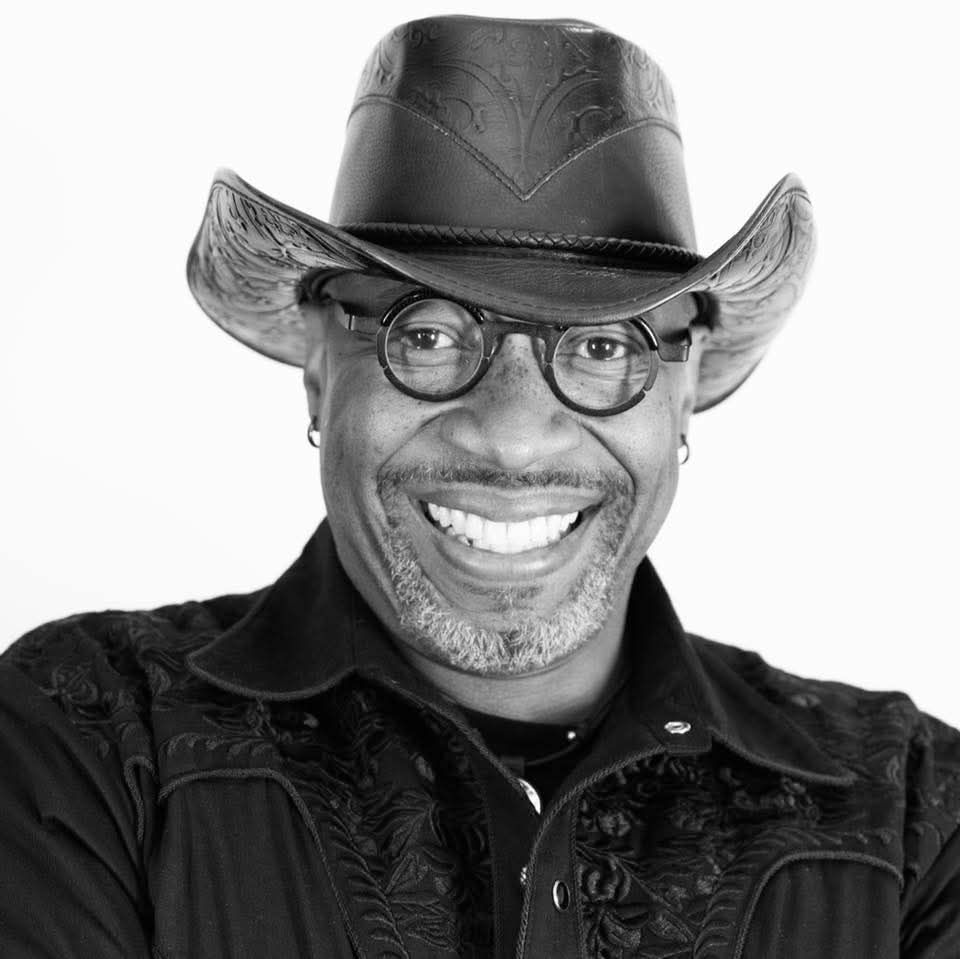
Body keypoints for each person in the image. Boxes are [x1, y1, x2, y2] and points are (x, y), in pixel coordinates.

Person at [1, 14, 957, 958]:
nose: (511, 439)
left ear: (685, 389)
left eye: (599, 346)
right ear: (319, 372)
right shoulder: (87, 743)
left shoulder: (912, 815)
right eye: (425, 332)